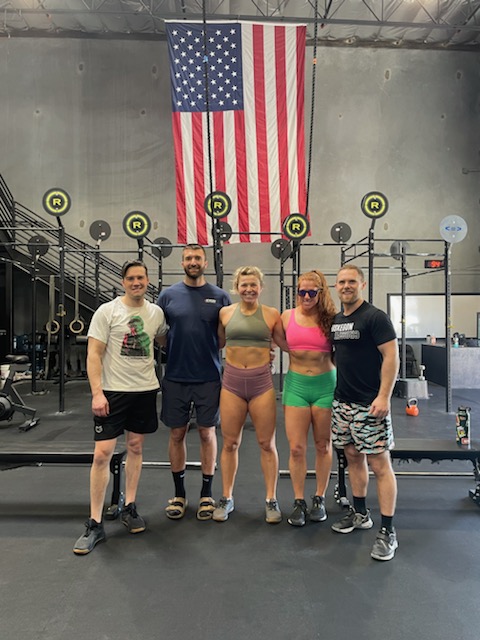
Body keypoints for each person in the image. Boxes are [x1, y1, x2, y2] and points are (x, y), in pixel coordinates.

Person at [73, 260, 167, 555]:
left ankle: (130, 506)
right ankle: (95, 523)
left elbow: (164, 340)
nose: (136, 282)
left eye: (141, 278)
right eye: (131, 278)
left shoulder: (155, 313)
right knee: (102, 454)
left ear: (147, 281)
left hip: (145, 390)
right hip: (113, 393)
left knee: (136, 447)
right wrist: (97, 394)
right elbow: (93, 354)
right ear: (123, 281)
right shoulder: (107, 311)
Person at [330, 264, 400, 561]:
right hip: (342, 403)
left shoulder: (375, 317)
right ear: (336, 286)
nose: (346, 286)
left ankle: (388, 532)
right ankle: (360, 513)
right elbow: (339, 358)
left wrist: (384, 396)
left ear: (362, 284)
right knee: (352, 456)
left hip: (370, 404)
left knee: (380, 464)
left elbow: (391, 356)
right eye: (341, 282)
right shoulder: (337, 321)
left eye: (351, 281)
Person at [157, 244, 231, 521]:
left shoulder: (220, 296)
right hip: (175, 377)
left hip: (208, 377)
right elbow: (159, 332)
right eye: (188, 258)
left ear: (205, 262)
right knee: (176, 434)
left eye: (197, 258)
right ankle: (179, 495)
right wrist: (176, 348)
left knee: (207, 434)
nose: (193, 261)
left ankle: (206, 495)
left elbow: (223, 337)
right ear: (182, 262)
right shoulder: (167, 296)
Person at [212, 266, 289, 524]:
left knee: (267, 443)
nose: (248, 289)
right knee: (230, 443)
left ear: (261, 287)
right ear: (237, 287)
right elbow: (218, 343)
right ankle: (226, 497)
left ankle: (271, 499)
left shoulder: (271, 314)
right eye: (244, 285)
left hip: (261, 383)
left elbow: (285, 343)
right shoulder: (225, 313)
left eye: (253, 285)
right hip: (232, 382)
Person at [281, 270, 337, 527]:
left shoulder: (332, 320)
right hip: (296, 386)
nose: (306, 296)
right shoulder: (287, 317)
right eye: (301, 292)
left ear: (321, 293)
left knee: (323, 445)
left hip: (326, 386)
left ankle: (319, 497)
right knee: (296, 448)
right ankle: (298, 500)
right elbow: (276, 339)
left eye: (311, 292)